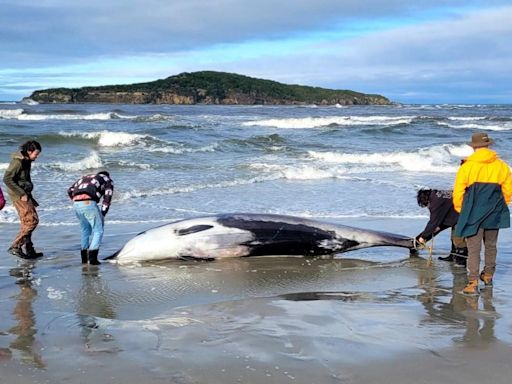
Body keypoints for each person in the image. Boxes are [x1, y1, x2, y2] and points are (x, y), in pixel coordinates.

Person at [453, 132, 512, 294]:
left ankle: (472, 282)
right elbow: (508, 191)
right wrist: (500, 204)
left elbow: (458, 192)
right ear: (488, 146)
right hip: (495, 209)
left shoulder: (467, 166)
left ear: (474, 148)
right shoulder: (501, 166)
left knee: (474, 248)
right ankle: (488, 275)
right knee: (491, 245)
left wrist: (460, 209)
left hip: (473, 211)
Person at [3, 140, 43, 259]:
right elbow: (7, 179)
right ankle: (15, 247)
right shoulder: (18, 162)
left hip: (25, 194)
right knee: (32, 221)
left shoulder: (27, 161)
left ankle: (29, 249)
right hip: (19, 195)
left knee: (27, 222)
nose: (37, 156)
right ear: (29, 151)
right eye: (36, 154)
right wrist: (21, 193)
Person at [67, 171, 114, 265]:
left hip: (76, 204)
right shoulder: (107, 179)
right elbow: (107, 197)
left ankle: (84, 259)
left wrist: (76, 200)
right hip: (88, 203)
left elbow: (70, 190)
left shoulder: (85, 177)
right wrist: (103, 213)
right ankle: (92, 259)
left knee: (85, 230)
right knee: (98, 230)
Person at [416, 188, 467, 266]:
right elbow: (443, 214)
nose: (427, 206)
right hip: (458, 212)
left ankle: (461, 261)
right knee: (453, 238)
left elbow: (433, 222)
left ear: (426, 199)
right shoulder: (437, 194)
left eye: (426, 204)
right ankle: (453, 256)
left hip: (463, 214)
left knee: (458, 239)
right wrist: (439, 226)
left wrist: (423, 237)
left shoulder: (435, 202)